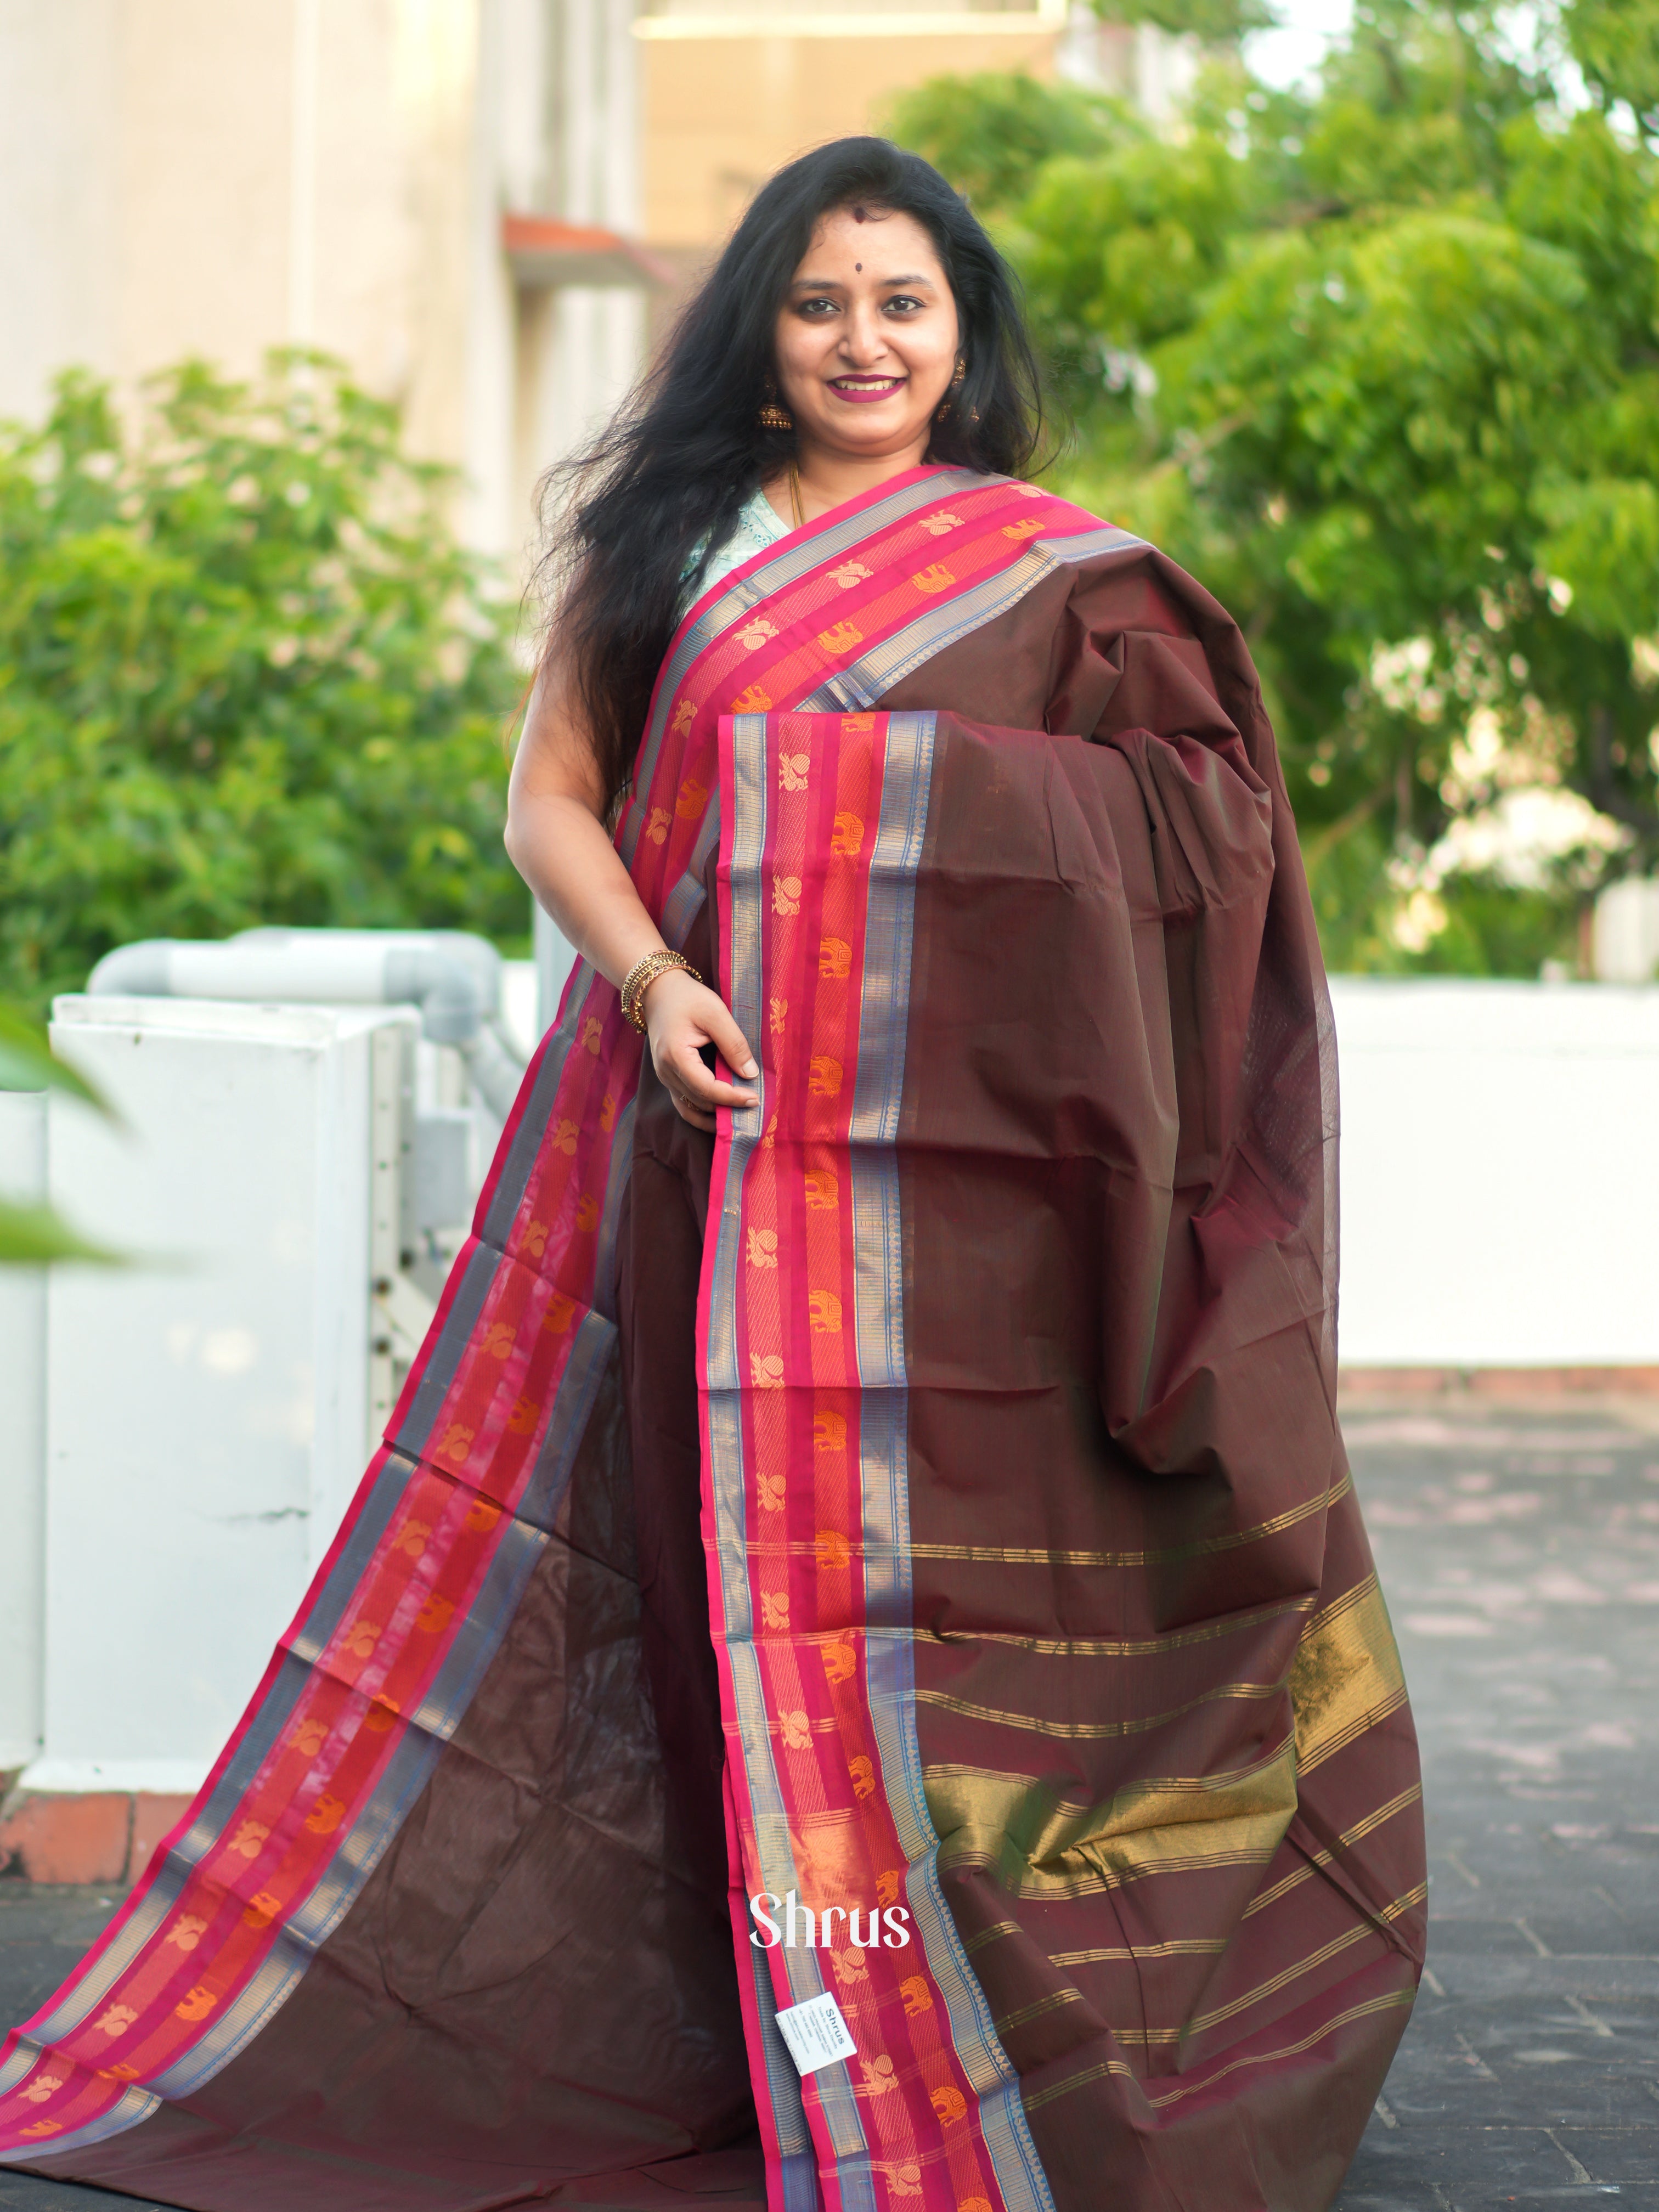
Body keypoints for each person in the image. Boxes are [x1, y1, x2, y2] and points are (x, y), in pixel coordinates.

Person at [0, 139, 1424, 2212]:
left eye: (906, 302)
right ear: (765, 327)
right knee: (714, 1599)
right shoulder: (677, 544)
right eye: (824, 299)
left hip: (968, 1228)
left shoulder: (1049, 574)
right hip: (694, 1151)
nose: (866, 338)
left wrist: (866, 806)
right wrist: (661, 973)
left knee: (946, 1614)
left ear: (963, 337)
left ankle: (968, 2034)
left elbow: (1206, 831)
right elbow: (547, 805)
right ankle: (789, 2039)